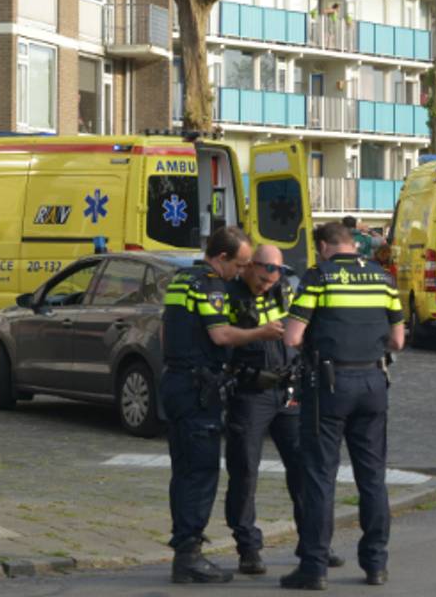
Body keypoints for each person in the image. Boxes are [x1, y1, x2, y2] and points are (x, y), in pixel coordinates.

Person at [280, 222, 405, 590]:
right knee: (372, 477)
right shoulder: (383, 279)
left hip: (330, 386)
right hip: (373, 382)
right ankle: (376, 564)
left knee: (320, 476)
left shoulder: (319, 277)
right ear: (353, 245)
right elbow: (398, 340)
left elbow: (292, 336)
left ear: (323, 246)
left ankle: (314, 567)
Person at [224, 245, 346, 576]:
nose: (266, 284)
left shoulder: (285, 290)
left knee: (305, 468)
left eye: (272, 278)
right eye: (262, 278)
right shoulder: (229, 294)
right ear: (249, 267)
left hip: (288, 391)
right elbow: (219, 338)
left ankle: (313, 543)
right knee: (245, 470)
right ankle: (248, 547)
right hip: (250, 393)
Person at [162, 226, 266, 584]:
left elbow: (166, 332)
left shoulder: (180, 279)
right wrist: (261, 333)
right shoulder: (209, 283)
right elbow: (220, 334)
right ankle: (189, 556)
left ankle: (184, 549)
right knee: (202, 472)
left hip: (175, 381)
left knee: (183, 470)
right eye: (238, 264)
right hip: (197, 387)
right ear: (221, 258)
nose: (240, 272)